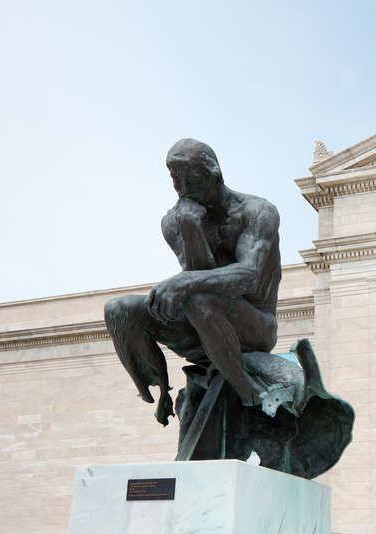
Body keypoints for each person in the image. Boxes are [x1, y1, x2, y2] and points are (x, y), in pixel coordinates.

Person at [104, 139, 282, 426]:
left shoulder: (257, 211)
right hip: (203, 321)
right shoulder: (174, 222)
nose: (185, 190)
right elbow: (200, 276)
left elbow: (247, 277)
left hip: (256, 326)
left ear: (215, 174)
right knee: (120, 309)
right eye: (177, 181)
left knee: (198, 298)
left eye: (195, 180)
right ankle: (161, 389)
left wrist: (186, 281)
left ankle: (250, 393)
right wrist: (190, 227)